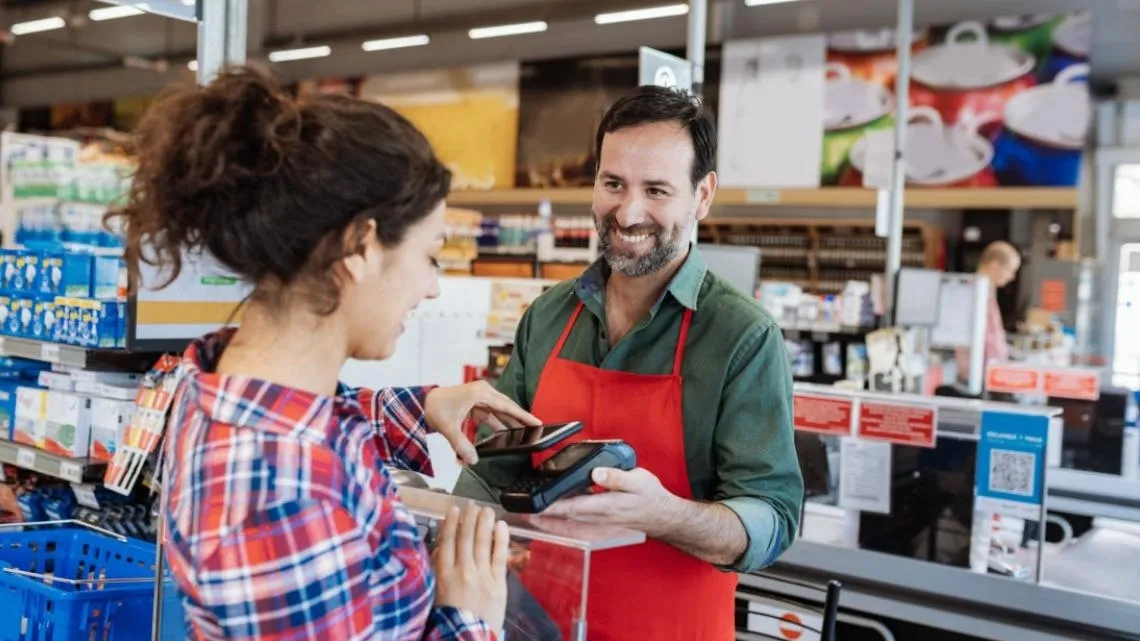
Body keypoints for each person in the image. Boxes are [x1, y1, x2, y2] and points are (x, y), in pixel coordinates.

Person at [113, 66, 542, 640]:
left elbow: (304, 421)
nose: (431, 286)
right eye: (429, 256)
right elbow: (292, 461)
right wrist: (467, 616)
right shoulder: (278, 493)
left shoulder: (223, 377)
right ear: (359, 246)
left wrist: (421, 406)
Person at [454, 85, 803, 641]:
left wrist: (663, 514)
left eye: (656, 190)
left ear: (702, 195)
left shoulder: (741, 336)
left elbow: (772, 520)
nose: (628, 211)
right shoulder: (548, 316)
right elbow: (490, 475)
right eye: (612, 183)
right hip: (535, 625)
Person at [957, 241, 1021, 378]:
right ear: (995, 264)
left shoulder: (987, 292)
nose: (1012, 277)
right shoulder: (973, 293)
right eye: (1010, 270)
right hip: (975, 373)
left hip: (988, 370)